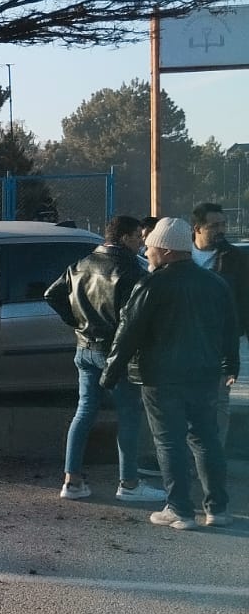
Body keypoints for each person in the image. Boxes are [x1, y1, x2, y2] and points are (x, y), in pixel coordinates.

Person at [102, 216, 239, 530]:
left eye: (150, 247)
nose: (146, 252)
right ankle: (217, 509)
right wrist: (231, 365)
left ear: (165, 250)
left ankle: (180, 509)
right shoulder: (215, 283)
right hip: (205, 374)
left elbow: (129, 331)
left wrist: (111, 371)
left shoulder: (151, 284)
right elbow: (230, 329)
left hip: (161, 376)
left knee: (169, 442)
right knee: (205, 439)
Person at [44, 216, 165, 502]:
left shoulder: (81, 264)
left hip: (84, 347)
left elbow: (52, 294)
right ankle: (129, 484)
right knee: (129, 416)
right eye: (137, 237)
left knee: (84, 411)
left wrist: (77, 321)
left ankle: (72, 481)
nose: (141, 243)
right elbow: (132, 321)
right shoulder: (130, 270)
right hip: (115, 352)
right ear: (124, 238)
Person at [190, 202, 249, 443]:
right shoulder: (180, 255)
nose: (221, 230)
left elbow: (245, 300)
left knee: (219, 402)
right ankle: (190, 459)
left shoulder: (235, 258)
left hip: (221, 343)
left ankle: (215, 459)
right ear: (198, 228)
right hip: (185, 340)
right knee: (187, 402)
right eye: (214, 226)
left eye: (223, 224)